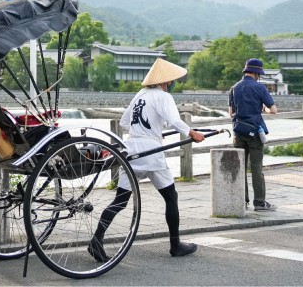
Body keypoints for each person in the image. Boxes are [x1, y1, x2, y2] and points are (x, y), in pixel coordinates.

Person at [88, 58, 205, 261]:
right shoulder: (163, 96)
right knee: (171, 197)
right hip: (151, 153)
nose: (172, 84)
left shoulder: (140, 95)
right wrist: (191, 133)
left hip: (131, 150)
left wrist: (148, 131)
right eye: (171, 81)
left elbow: (125, 122)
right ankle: (175, 245)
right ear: (166, 81)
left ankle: (96, 240)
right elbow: (176, 121)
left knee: (120, 200)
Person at [228, 58, 278, 211]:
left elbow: (231, 113)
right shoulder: (259, 88)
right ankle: (260, 203)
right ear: (257, 73)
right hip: (255, 132)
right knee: (256, 168)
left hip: (238, 132)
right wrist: (264, 109)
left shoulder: (234, 88)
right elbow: (274, 110)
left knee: (240, 166)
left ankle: (242, 201)